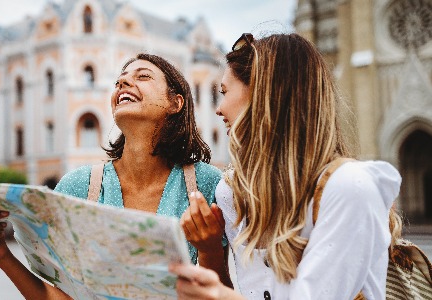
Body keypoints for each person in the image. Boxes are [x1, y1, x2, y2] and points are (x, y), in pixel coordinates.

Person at [0, 53, 226, 299]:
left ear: (175, 102)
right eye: (120, 80)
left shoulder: (209, 185)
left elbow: (225, 293)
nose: (123, 82)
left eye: (142, 76)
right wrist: (2, 255)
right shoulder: (78, 186)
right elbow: (60, 296)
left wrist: (210, 248)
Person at [169, 33, 402, 299]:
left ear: (265, 93)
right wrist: (209, 250)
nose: (219, 109)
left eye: (224, 92)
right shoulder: (232, 191)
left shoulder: (349, 186)